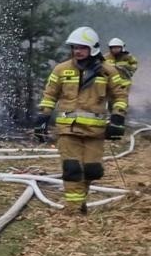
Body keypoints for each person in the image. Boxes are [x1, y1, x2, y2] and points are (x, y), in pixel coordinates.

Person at [34, 26, 130, 214]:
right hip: (68, 130)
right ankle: (74, 210)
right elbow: (49, 95)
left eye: (82, 47)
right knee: (72, 169)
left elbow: (120, 96)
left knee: (92, 170)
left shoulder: (107, 72)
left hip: (95, 132)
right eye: (75, 47)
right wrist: (43, 117)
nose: (77, 51)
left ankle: (80, 201)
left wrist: (118, 118)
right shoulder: (61, 70)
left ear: (92, 48)